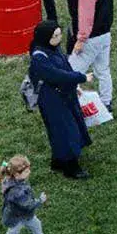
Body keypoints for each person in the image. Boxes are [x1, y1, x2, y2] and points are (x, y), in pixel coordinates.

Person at [26, 20, 91, 179]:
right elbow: (56, 75)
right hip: (52, 100)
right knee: (66, 131)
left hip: (63, 95)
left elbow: (65, 67)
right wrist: (80, 78)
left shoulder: (52, 48)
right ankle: (71, 168)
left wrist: (75, 87)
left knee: (64, 129)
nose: (59, 38)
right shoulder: (39, 57)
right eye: (55, 36)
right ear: (45, 37)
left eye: (59, 34)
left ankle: (58, 161)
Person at [69, 0, 113, 110]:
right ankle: (106, 103)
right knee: (103, 71)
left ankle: (72, 104)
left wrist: (80, 40)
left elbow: (86, 17)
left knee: (71, 71)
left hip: (90, 39)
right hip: (105, 35)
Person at [0, 154, 46, 234]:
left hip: (17, 213)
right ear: (17, 174)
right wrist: (41, 200)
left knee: (37, 225)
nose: (29, 172)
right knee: (13, 231)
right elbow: (29, 205)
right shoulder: (17, 192)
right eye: (26, 171)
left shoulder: (11, 178)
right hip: (17, 217)